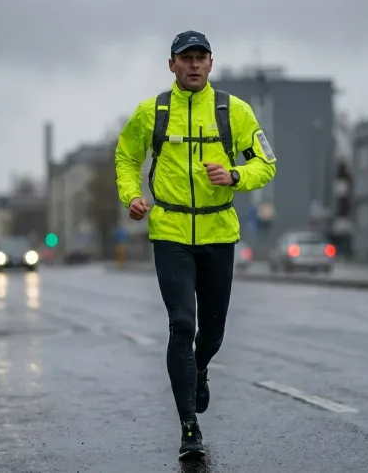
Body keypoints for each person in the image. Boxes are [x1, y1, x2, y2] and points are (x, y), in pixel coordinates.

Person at [114, 30, 277, 459]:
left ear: (210, 64)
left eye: (201, 58)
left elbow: (266, 162)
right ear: (172, 65)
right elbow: (126, 157)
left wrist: (237, 176)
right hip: (169, 234)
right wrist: (131, 196)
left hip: (219, 233)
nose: (193, 65)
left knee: (213, 332)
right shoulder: (153, 113)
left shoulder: (233, 111)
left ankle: (200, 368)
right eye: (185, 58)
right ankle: (189, 427)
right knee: (182, 325)